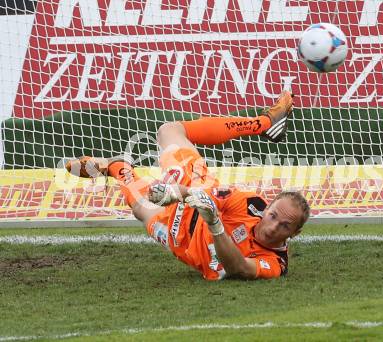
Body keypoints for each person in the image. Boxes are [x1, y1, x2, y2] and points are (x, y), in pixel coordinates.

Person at [66, 90, 310, 280]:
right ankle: (265, 123)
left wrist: (214, 224)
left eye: (284, 225)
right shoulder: (250, 204)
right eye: (273, 215)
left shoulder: (276, 263)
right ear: (266, 209)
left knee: (141, 209)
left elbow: (239, 269)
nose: (273, 226)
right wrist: (175, 192)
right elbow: (204, 195)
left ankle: (118, 168)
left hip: (182, 241)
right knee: (169, 130)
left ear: (294, 233)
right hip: (190, 196)